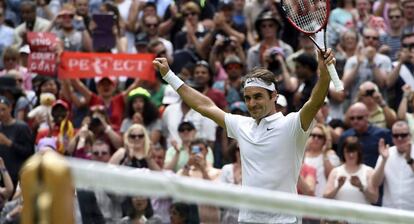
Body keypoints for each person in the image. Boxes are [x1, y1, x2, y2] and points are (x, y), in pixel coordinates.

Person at [152, 45, 335, 223]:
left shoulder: (292, 124)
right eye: (247, 98)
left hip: (284, 219)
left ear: (274, 96)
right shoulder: (242, 125)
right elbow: (204, 106)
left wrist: (324, 73)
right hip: (248, 219)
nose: (252, 103)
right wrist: (170, 76)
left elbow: (315, 101)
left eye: (258, 96)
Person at [371, 120, 414, 211]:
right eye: (396, 135)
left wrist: (410, 161)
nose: (399, 138)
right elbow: (375, 183)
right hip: (390, 211)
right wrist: (384, 160)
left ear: (410, 136)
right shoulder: (386, 153)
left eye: (403, 135)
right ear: (392, 137)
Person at [324, 136, 378, 204]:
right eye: (348, 152)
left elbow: (374, 199)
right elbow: (325, 197)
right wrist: (338, 187)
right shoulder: (335, 172)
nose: (351, 155)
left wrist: (361, 187)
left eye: (353, 151)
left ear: (359, 152)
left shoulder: (369, 171)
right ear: (343, 153)